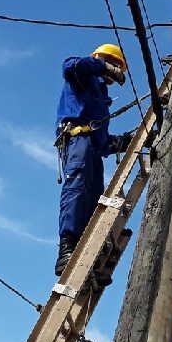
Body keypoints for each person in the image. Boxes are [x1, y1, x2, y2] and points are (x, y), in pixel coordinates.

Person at [53, 43, 134, 276]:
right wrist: (102, 66)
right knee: (76, 190)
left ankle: (89, 251)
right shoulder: (82, 77)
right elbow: (69, 66)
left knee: (97, 200)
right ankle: (67, 247)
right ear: (102, 60)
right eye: (115, 65)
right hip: (77, 141)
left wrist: (124, 142)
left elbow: (102, 143)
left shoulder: (101, 98)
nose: (116, 71)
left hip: (92, 150)